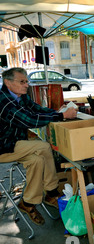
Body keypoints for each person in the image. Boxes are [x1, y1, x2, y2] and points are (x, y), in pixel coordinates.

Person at [0, 67, 78, 225]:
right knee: (43, 147)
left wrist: (58, 112)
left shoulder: (19, 96)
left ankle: (27, 203)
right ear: (8, 82)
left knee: (38, 161)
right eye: (22, 82)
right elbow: (30, 120)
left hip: (14, 144)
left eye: (26, 81)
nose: (26, 85)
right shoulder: (4, 101)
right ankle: (51, 192)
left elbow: (37, 110)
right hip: (4, 147)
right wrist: (62, 115)